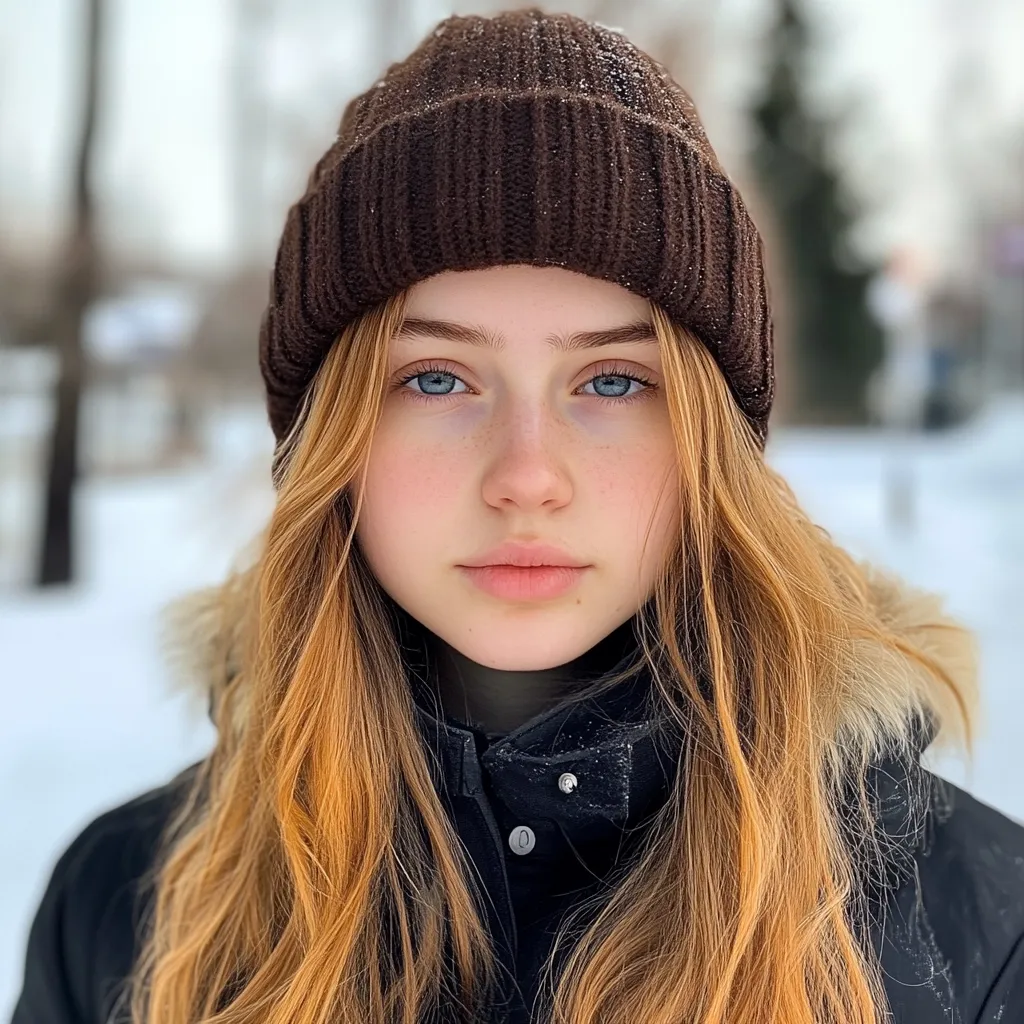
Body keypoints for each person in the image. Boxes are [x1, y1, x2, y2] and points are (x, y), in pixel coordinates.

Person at [10, 9, 1024, 1024]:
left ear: (709, 445)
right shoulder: (125, 907)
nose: (528, 476)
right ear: (332, 440)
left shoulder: (974, 923)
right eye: (439, 377)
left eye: (616, 382)